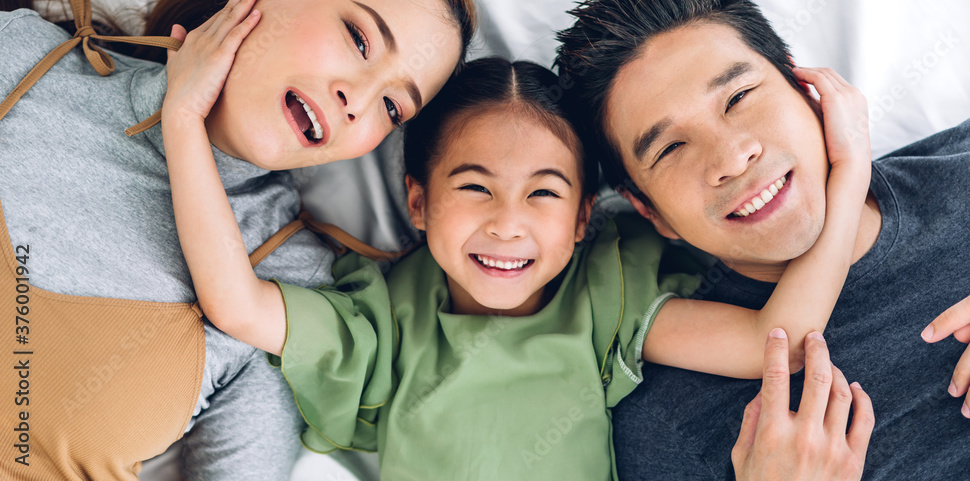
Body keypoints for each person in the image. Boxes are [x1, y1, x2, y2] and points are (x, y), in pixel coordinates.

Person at [161, 45, 873, 479]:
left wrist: (850, 175)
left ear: (582, 219)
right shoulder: (386, 323)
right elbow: (236, 303)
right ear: (419, 201)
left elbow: (769, 342)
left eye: (543, 193)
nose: (508, 222)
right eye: (474, 188)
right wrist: (184, 120)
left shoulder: (602, 296)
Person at [0, 0, 475, 479]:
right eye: (358, 38)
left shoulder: (282, 287)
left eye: (393, 106)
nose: (358, 100)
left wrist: (184, 118)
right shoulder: (26, 63)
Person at [555, 0, 970, 480]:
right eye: (671, 147)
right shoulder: (672, 424)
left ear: (806, 91)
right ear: (650, 211)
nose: (732, 156)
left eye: (739, 97)